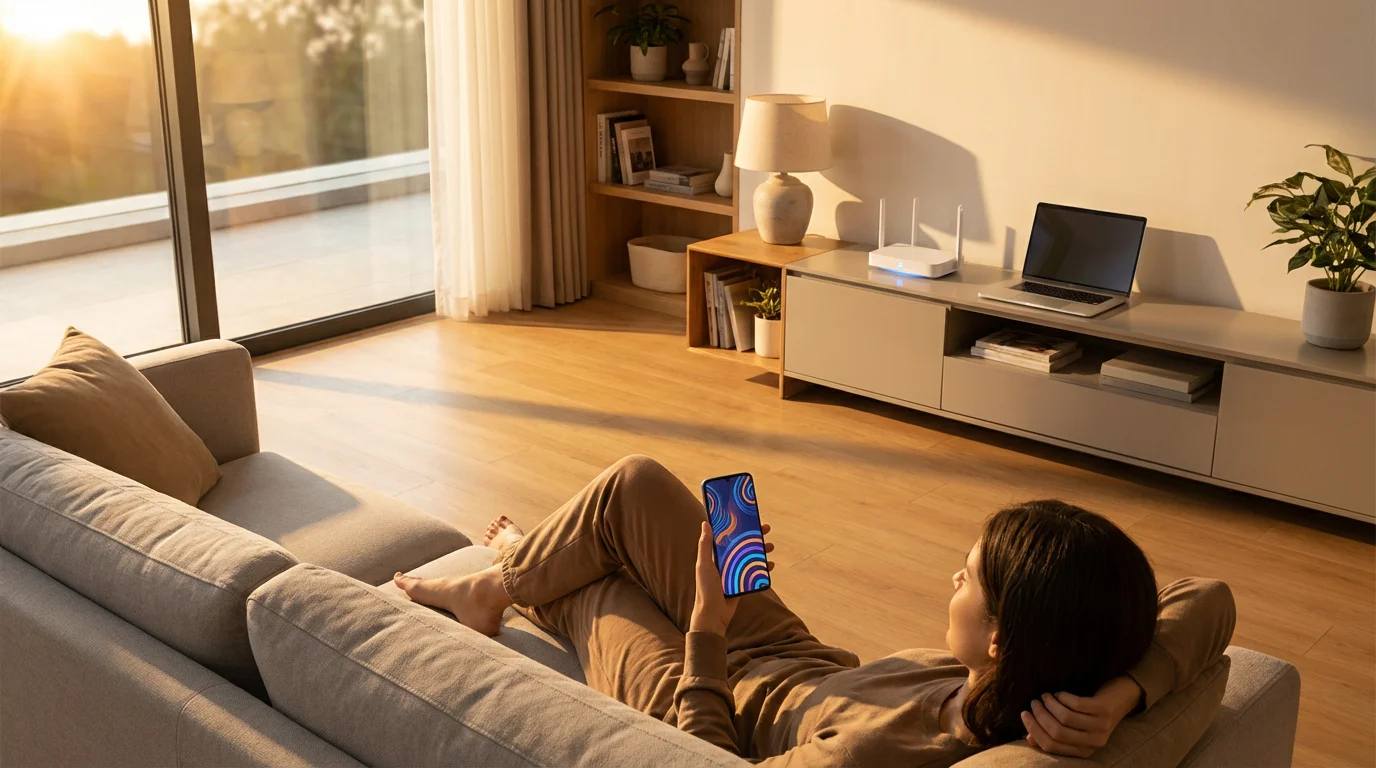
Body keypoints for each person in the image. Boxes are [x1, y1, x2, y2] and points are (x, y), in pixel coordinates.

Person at [395, 455, 1235, 766]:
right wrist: (1126, 694)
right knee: (633, 484)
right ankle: (507, 576)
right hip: (793, 652)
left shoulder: (876, 752)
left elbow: (706, 759)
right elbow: (1209, 599)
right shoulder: (1055, 675)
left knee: (599, 584)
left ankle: (503, 577)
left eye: (969, 577)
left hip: (705, 693)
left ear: (1000, 636)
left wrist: (706, 629)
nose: (953, 574)